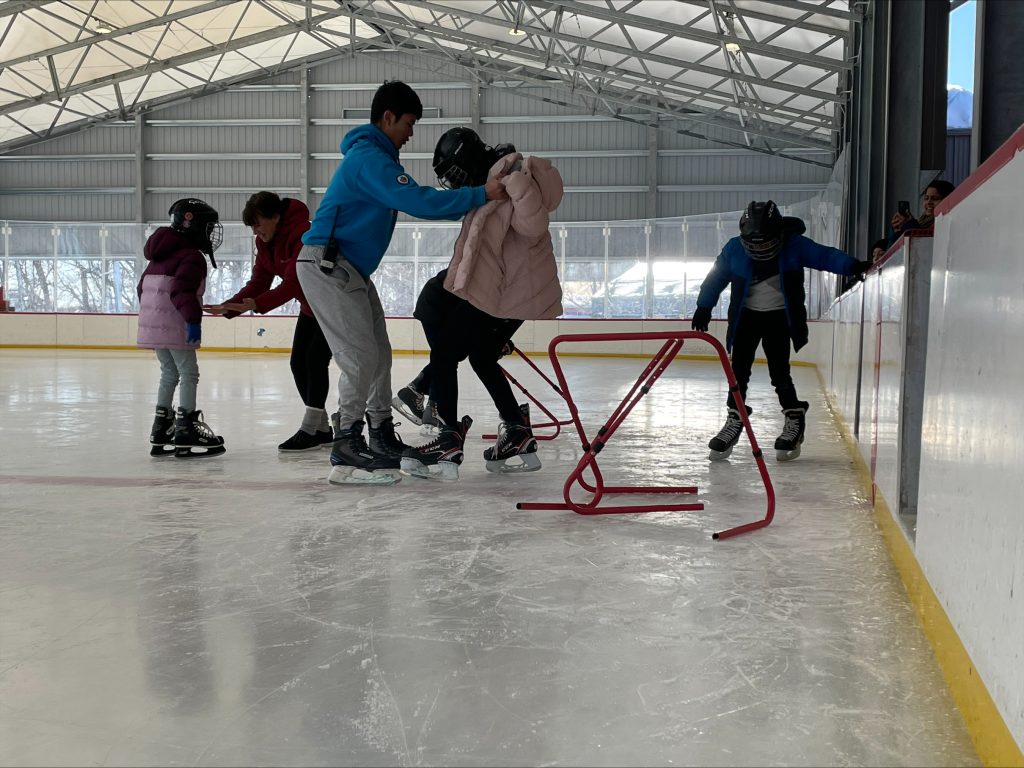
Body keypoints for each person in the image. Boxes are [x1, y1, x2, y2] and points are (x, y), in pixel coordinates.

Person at [296, 80, 508, 486]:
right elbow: (419, 201)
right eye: (409, 123)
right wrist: (480, 193)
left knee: (379, 353)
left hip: (349, 268)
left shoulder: (377, 158)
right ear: (387, 117)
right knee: (359, 356)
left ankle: (378, 435)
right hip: (327, 264)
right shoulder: (369, 160)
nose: (411, 133)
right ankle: (347, 443)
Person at [396, 128, 564, 481]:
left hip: (506, 292)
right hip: (500, 287)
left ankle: (446, 437)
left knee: (444, 350)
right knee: (471, 345)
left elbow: (534, 226)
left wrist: (513, 183)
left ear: (467, 161)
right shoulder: (488, 185)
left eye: (454, 174)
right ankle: (515, 429)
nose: (454, 184)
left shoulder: (514, 176)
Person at [691, 200, 869, 462]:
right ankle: (735, 417)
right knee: (737, 371)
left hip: (779, 319)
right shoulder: (734, 249)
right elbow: (715, 277)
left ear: (778, 235)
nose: (761, 248)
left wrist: (853, 266)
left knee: (779, 373)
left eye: (766, 243)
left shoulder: (795, 245)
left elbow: (825, 256)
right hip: (745, 319)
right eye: (755, 243)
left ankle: (794, 417)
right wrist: (704, 306)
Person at [205, 191, 334, 452]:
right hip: (311, 308)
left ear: (275, 216)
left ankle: (311, 429)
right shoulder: (265, 243)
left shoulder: (304, 235)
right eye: (252, 226)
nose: (256, 231)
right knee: (298, 363)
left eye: (258, 223)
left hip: (333, 304)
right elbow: (259, 282)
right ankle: (320, 428)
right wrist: (231, 306)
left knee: (314, 361)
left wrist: (259, 304)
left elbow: (293, 282)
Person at [138, 198, 226, 459]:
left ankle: (161, 428)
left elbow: (141, 290)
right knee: (189, 373)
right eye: (208, 227)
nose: (210, 233)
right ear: (192, 223)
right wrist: (192, 321)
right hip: (176, 324)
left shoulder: (158, 255)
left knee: (168, 372)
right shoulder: (191, 256)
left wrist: (152, 319)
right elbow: (181, 290)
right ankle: (186, 428)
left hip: (153, 327)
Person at [887, 180, 955, 245]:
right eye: (926, 198)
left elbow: (924, 243)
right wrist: (897, 230)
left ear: (947, 199)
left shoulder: (945, 222)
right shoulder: (921, 222)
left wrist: (910, 223)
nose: (929, 202)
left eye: (935, 198)